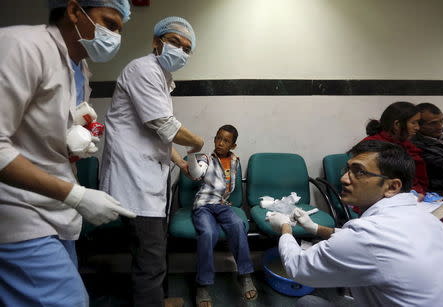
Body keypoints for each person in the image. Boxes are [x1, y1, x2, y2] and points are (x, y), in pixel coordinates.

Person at [0, 1, 134, 306]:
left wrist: (77, 141)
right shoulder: (22, 47)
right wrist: (76, 195)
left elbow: (39, 132)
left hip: (55, 208)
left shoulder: (80, 68)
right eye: (110, 24)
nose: (115, 37)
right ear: (75, 11)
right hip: (16, 210)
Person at [99, 16, 204, 307]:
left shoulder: (162, 79)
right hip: (134, 183)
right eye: (174, 43)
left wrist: (182, 163)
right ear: (156, 43)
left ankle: (154, 300)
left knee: (149, 254)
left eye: (186, 48)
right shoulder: (143, 70)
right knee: (151, 260)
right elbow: (164, 125)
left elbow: (156, 135)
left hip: (147, 180)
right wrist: (198, 143)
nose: (180, 51)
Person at [267, 140, 443, 306]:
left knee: (307, 302)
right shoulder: (427, 218)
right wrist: (313, 227)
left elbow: (298, 269)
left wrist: (285, 227)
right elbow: (370, 244)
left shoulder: (369, 235)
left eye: (359, 172)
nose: (344, 179)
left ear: (392, 186)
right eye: (347, 170)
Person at [188, 125, 257, 307]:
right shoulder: (206, 158)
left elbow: (226, 185)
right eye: (218, 138)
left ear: (232, 145)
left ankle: (244, 275)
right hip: (203, 205)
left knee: (237, 225)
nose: (220, 143)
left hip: (221, 204)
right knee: (209, 233)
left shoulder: (235, 161)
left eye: (225, 140)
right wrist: (191, 154)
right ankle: (203, 284)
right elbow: (196, 173)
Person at [363, 101, 428, 199]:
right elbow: (368, 182)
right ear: (397, 124)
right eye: (413, 123)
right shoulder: (372, 145)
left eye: (418, 123)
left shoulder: (406, 145)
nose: (417, 127)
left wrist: (419, 192)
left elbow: (419, 179)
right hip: (381, 198)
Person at [412, 102, 443, 204]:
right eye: (433, 123)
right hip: (439, 191)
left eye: (441, 121)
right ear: (418, 125)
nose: (439, 126)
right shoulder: (416, 145)